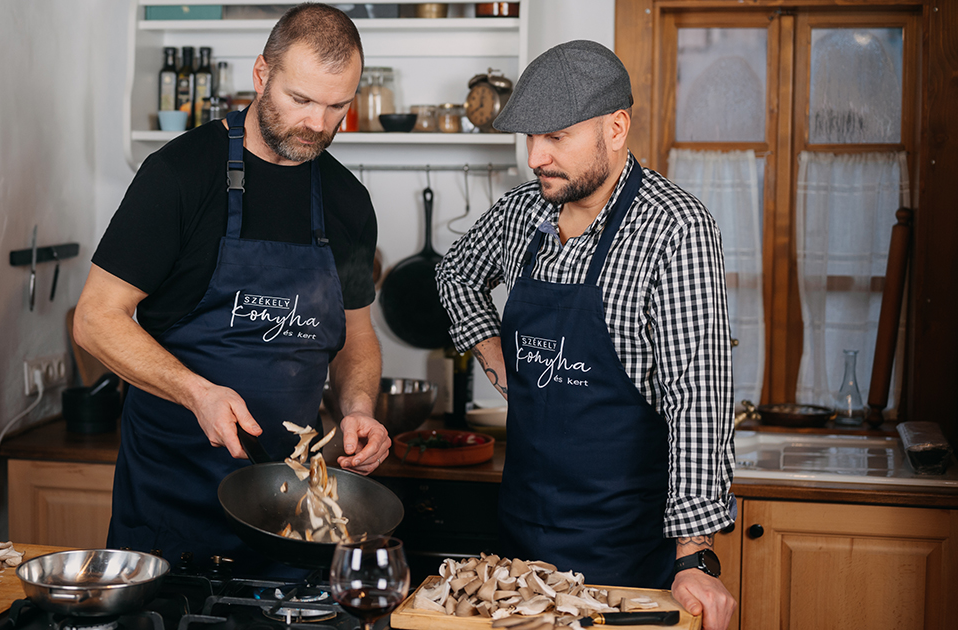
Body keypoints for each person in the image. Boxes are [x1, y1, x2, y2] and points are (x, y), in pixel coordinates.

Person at [73, 3, 391, 577]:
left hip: (292, 519)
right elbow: (96, 317)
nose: (318, 124)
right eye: (301, 100)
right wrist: (198, 393)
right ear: (262, 76)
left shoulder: (347, 201)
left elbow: (355, 336)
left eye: (337, 106)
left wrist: (358, 408)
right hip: (172, 514)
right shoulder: (178, 175)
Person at [436, 41, 736, 629]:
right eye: (529, 138)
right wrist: (497, 357)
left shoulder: (674, 229)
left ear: (616, 128)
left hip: (627, 553)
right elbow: (455, 273)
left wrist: (695, 558)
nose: (536, 157)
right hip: (519, 546)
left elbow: (698, 399)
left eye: (556, 137)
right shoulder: (522, 213)